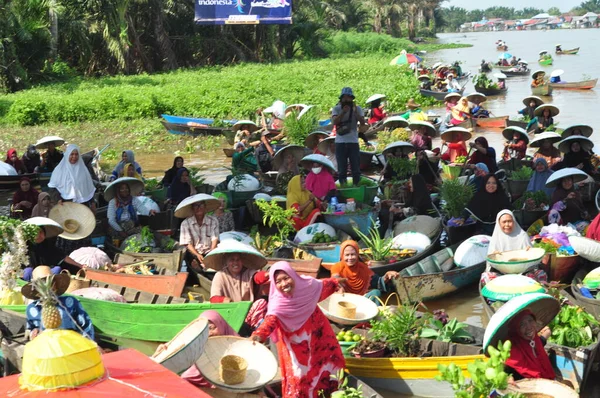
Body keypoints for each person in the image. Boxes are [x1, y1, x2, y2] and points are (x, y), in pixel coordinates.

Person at [250, 261, 345, 398]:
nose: (284, 284)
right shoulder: (278, 303)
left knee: (330, 365)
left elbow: (325, 284)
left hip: (321, 337)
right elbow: (270, 321)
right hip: (296, 348)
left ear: (293, 275)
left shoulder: (308, 285)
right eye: (278, 281)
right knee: (300, 378)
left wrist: (338, 282)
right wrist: (257, 336)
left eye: (286, 278)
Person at [155, 310, 239, 388]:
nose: (209, 333)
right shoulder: (198, 341)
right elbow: (179, 348)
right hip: (196, 381)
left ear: (221, 325)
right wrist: (162, 351)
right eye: (206, 330)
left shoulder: (236, 344)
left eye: (212, 328)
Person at [205, 242, 269, 330]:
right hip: (229, 314)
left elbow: (257, 277)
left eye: (238, 259)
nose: (235, 263)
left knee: (261, 302)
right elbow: (213, 299)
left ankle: (254, 329)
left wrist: (268, 274)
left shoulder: (248, 272)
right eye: (232, 260)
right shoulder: (220, 275)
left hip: (248, 313)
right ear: (227, 262)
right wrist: (225, 300)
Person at [23, 267, 94, 340]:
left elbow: (86, 326)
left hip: (72, 345)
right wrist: (33, 333)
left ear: (56, 284)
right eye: (42, 284)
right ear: (36, 289)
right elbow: (30, 329)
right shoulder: (32, 308)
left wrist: (89, 343)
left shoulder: (71, 302)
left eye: (51, 283)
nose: (49, 288)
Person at [331, 240, 399, 301]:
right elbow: (335, 277)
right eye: (347, 255)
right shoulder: (337, 267)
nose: (350, 258)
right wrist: (338, 283)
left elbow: (377, 281)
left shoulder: (363, 268)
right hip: (345, 299)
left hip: (362, 300)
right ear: (342, 255)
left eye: (353, 254)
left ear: (357, 254)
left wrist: (386, 275)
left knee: (376, 292)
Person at [504, 310, 555, 380]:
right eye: (522, 324)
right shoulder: (513, 349)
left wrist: (547, 332)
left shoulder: (535, 339)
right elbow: (507, 371)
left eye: (530, 321)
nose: (529, 327)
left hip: (547, 380)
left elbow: (538, 345)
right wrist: (508, 378)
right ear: (516, 329)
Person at [331, 87, 367, 186]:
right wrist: (343, 112)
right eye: (345, 98)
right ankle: (343, 187)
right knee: (342, 169)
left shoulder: (357, 108)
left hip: (353, 142)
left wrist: (355, 112)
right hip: (340, 142)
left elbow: (363, 122)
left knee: (355, 168)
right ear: (341, 99)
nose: (347, 100)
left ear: (352, 98)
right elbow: (334, 122)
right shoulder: (337, 108)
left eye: (349, 98)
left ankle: (356, 186)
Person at [47, 144, 96, 208]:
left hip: (83, 204)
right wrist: (58, 199)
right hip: (65, 204)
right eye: (72, 154)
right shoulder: (59, 170)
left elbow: (88, 188)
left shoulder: (83, 170)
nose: (74, 157)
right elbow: (52, 187)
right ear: (67, 155)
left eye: (76, 154)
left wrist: (92, 202)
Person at [179, 196, 219, 272]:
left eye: (201, 205)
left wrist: (211, 254)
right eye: (196, 206)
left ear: (205, 206)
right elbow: (187, 243)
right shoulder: (185, 223)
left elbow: (215, 238)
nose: (199, 208)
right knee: (193, 263)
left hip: (209, 251)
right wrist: (197, 255)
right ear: (192, 208)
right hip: (194, 252)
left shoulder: (213, 220)